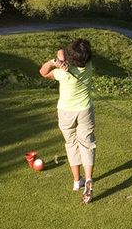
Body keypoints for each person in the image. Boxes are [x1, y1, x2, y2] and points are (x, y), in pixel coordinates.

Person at [39, 38, 96, 203]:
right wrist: (62, 61)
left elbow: (43, 72)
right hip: (85, 110)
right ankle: (89, 178)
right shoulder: (88, 66)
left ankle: (77, 182)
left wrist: (55, 62)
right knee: (87, 144)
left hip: (66, 113)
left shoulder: (63, 74)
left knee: (71, 144)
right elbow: (61, 53)